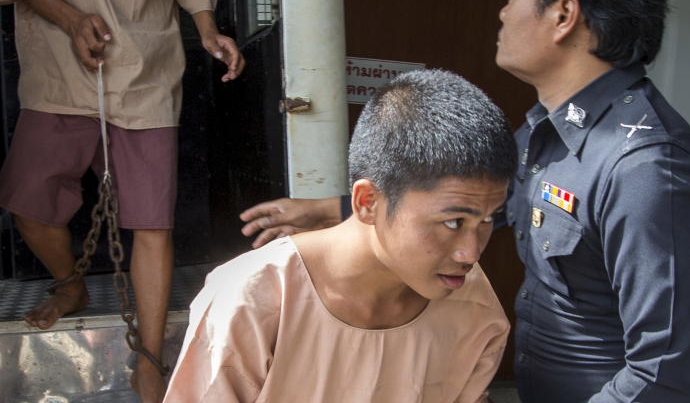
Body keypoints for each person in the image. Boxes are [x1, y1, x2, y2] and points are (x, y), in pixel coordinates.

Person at [241, 0, 690, 402]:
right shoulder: (549, 130)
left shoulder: (645, 168)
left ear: (563, 14)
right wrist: (329, 210)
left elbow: (667, 376)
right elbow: (475, 201)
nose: (503, 12)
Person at [0, 0, 243, 400]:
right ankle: (68, 279)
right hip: (59, 60)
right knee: (29, 200)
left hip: (150, 66)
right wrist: (72, 19)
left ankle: (151, 357)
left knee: (150, 221)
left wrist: (208, 28)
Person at [165, 69, 516, 402]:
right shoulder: (255, 298)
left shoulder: (474, 306)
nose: (470, 254)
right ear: (368, 202)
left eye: (488, 220)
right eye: (453, 222)